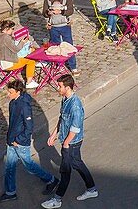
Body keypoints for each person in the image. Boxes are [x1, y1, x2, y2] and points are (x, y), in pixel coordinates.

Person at [0, 79, 56, 203]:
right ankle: (10, 192)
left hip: (19, 142)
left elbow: (29, 127)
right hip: (12, 140)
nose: (8, 94)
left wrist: (19, 140)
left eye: (11, 92)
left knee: (29, 165)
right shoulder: (13, 102)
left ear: (18, 92)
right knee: (9, 167)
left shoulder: (24, 106)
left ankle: (51, 180)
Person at [42, 74, 97, 207]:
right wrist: (54, 134)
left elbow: (75, 128)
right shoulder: (65, 99)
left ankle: (57, 199)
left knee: (65, 170)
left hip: (72, 142)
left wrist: (66, 143)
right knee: (77, 163)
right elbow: (62, 118)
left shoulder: (75, 106)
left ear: (67, 87)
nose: (57, 88)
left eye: (60, 86)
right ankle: (92, 189)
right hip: (68, 140)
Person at [42, 0, 77, 71]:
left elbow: (71, 10)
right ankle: (58, 65)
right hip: (53, 26)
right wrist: (48, 13)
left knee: (69, 45)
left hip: (65, 25)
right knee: (55, 46)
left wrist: (61, 12)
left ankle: (73, 66)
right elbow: (44, 12)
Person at [0, 20, 39, 88]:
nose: (13, 31)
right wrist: (22, 42)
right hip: (8, 63)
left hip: (0, 60)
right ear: (7, 29)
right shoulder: (6, 38)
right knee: (31, 61)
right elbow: (16, 49)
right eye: (12, 29)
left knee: (26, 55)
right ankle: (29, 82)